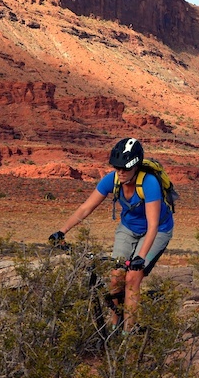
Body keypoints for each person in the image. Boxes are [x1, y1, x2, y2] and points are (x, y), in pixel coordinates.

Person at [49, 137, 174, 333]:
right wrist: (61, 231)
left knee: (133, 277)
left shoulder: (149, 183)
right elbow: (85, 208)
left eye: (125, 168)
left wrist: (140, 258)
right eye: (117, 168)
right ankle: (116, 326)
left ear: (136, 166)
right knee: (116, 276)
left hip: (158, 230)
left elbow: (152, 226)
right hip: (128, 227)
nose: (121, 172)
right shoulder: (112, 179)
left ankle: (128, 336)